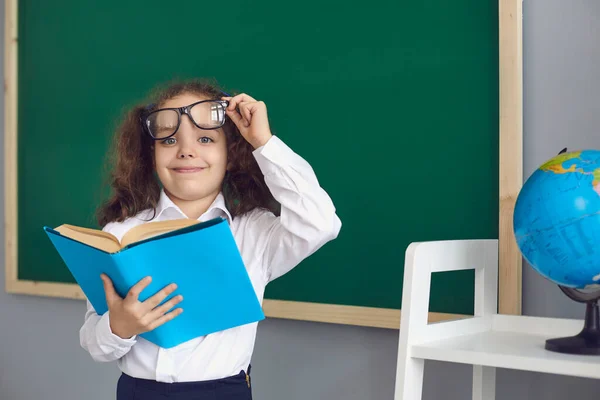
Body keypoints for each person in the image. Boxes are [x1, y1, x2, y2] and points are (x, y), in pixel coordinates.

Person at [79, 78, 342, 399]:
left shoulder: (254, 232)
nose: (186, 151)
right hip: (138, 391)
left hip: (224, 391)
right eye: (169, 140)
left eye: (205, 138)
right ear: (152, 155)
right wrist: (119, 326)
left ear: (230, 155)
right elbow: (96, 345)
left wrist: (263, 141)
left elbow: (321, 222)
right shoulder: (120, 235)